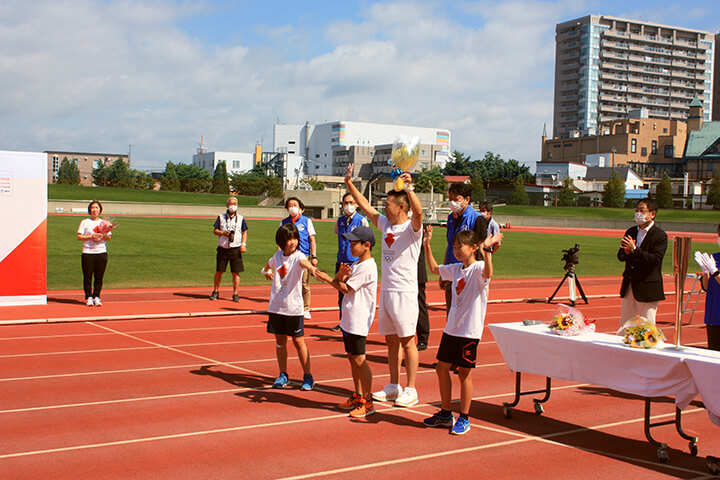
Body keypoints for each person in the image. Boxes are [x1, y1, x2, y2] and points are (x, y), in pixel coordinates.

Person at [344, 163, 423, 408]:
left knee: (408, 340)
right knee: (391, 341)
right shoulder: (385, 225)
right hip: (387, 291)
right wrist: (349, 184)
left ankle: (411, 388)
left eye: (388, 204)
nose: (383, 208)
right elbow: (366, 208)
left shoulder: (412, 229)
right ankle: (393, 385)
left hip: (405, 292)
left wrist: (409, 188)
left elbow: (418, 213)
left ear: (401, 207)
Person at [422, 226, 502, 435]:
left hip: (469, 331)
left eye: (461, 246)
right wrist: (427, 244)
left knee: (464, 373)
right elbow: (433, 269)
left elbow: (488, 272)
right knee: (441, 369)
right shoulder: (456, 269)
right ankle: (446, 413)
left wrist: (487, 252)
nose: (457, 250)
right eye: (455, 246)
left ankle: (464, 417)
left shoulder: (478, 268)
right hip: (452, 329)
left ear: (473, 247)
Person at [315, 226, 378, 417]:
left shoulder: (367, 267)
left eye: (353, 243)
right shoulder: (359, 264)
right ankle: (358, 396)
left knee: (360, 360)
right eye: (349, 243)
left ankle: (368, 402)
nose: (350, 246)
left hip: (358, 320)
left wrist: (327, 278)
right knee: (352, 358)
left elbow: (345, 289)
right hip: (349, 319)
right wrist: (339, 276)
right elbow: (342, 282)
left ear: (366, 245)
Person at [262, 223, 318, 390]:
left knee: (298, 341)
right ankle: (283, 374)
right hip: (276, 307)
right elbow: (267, 266)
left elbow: (304, 263)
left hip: (293, 308)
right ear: (281, 241)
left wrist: (312, 269)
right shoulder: (277, 256)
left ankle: (308, 376)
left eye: (295, 238)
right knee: (280, 341)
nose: (292, 241)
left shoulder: (298, 256)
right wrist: (266, 272)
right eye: (289, 239)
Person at [617, 197, 668, 326]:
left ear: (652, 214)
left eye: (642, 210)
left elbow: (655, 260)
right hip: (629, 284)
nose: (638, 213)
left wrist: (634, 250)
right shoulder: (631, 231)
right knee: (625, 324)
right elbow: (621, 255)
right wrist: (627, 252)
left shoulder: (660, 236)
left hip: (648, 286)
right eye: (636, 210)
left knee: (647, 325)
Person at [443, 183, 487, 312]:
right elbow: (450, 244)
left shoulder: (477, 219)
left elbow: (481, 247)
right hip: (452, 271)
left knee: (466, 312)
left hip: (469, 274)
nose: (452, 202)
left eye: (456, 199)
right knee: (451, 313)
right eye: (450, 199)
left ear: (466, 200)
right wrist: (444, 271)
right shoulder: (451, 218)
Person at [330, 192, 369, 332]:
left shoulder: (361, 220)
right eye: (345, 203)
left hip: (354, 263)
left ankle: (355, 322)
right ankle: (342, 322)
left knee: (353, 295)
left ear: (356, 204)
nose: (348, 206)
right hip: (341, 261)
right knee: (341, 295)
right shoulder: (339, 221)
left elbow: (366, 242)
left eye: (351, 203)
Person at [280, 197, 318, 319]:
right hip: (288, 256)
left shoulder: (306, 221)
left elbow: (312, 240)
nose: (292, 207)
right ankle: (288, 304)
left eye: (295, 205)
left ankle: (306, 308)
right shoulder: (284, 222)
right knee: (287, 281)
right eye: (290, 205)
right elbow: (280, 241)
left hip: (304, 255)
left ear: (300, 208)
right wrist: (280, 256)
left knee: (304, 283)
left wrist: (314, 256)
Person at [76, 200, 115, 306]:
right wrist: (91, 236)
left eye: (97, 208)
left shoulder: (104, 223)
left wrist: (103, 236)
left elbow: (109, 238)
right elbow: (79, 237)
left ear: (100, 210)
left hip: (101, 252)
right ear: (89, 210)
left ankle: (97, 296)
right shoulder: (85, 222)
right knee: (87, 276)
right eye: (93, 208)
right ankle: (88, 297)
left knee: (99, 276)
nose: (95, 210)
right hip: (88, 252)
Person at [210, 196, 248, 302]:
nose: (233, 206)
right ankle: (215, 291)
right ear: (227, 205)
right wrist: (223, 233)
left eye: (235, 204)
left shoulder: (240, 218)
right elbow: (215, 231)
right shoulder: (221, 217)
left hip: (235, 248)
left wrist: (243, 244)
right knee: (219, 271)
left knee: (236, 272)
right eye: (231, 204)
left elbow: (244, 231)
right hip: (223, 248)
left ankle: (235, 293)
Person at [695, 224, 720, 351]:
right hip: (713, 316)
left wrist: (715, 272)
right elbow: (706, 287)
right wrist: (705, 272)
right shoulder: (714, 257)